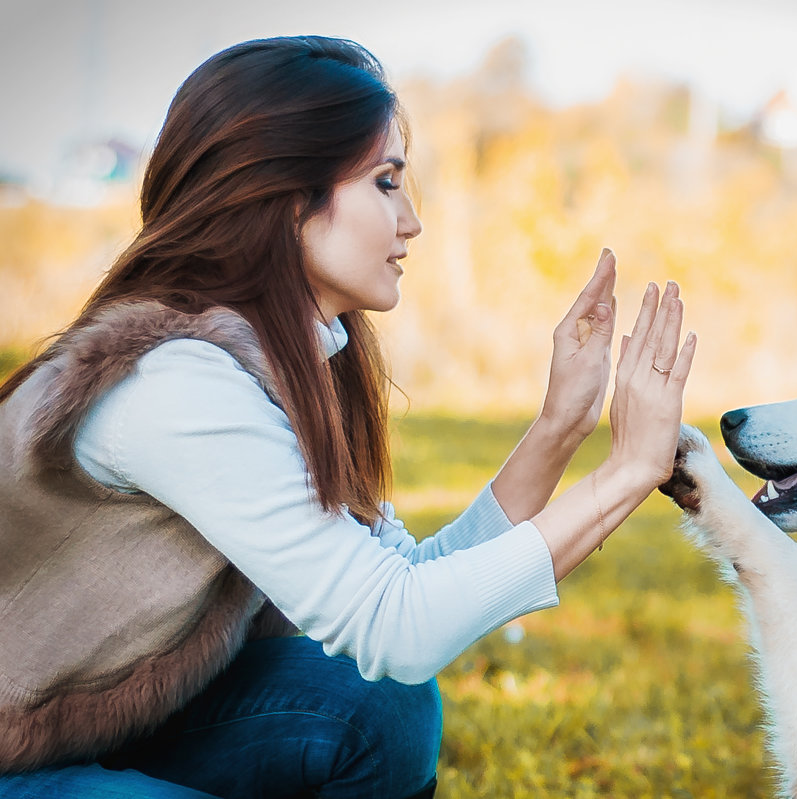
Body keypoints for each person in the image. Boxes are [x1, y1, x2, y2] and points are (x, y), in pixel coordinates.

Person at [0, 35, 695, 798]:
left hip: (115, 722)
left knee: (381, 707)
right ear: (287, 198)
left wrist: (560, 423)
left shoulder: (279, 361)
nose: (412, 221)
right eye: (386, 182)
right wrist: (627, 472)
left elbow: (402, 588)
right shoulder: (177, 386)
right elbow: (397, 625)